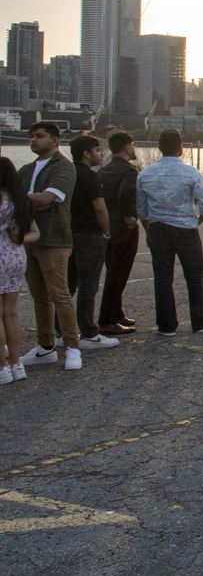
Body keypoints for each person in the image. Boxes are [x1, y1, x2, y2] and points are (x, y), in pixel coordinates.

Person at [137, 130, 203, 335]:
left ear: (159, 147)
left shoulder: (145, 174)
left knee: (163, 278)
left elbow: (141, 208)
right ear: (180, 148)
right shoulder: (191, 172)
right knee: (194, 276)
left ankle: (166, 325)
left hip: (157, 228)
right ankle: (199, 320)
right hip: (185, 227)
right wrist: (201, 217)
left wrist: (148, 228)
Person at [16, 122, 84, 369]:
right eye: (32, 136)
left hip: (54, 239)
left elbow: (46, 200)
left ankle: (73, 347)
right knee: (39, 296)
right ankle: (46, 347)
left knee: (60, 294)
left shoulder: (64, 168)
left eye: (40, 136)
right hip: (28, 240)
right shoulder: (26, 169)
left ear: (55, 140)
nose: (33, 140)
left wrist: (19, 198)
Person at [67, 134, 118, 348]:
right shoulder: (90, 176)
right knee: (89, 285)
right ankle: (88, 332)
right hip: (90, 234)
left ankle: (62, 331)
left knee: (67, 286)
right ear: (86, 153)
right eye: (97, 151)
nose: (100, 154)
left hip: (69, 234)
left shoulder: (66, 173)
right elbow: (99, 206)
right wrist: (106, 232)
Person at [1, 158, 40, 385]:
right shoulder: (21, 201)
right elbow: (36, 233)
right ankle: (17, 364)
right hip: (16, 255)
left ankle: (3, 368)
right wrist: (18, 238)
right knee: (11, 313)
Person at [98, 132, 140, 335]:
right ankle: (106, 319)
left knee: (112, 269)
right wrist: (129, 216)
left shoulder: (103, 170)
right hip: (123, 227)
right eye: (133, 145)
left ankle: (116, 312)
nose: (134, 148)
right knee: (119, 273)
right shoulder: (129, 172)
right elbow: (125, 195)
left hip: (106, 225)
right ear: (126, 147)